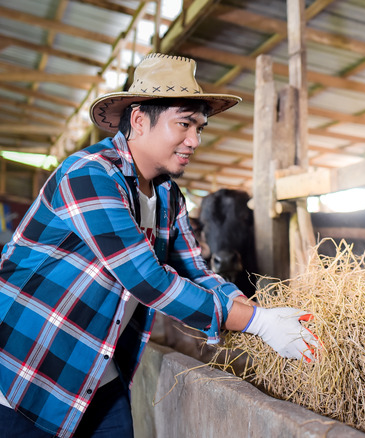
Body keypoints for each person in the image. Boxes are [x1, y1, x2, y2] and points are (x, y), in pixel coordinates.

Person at [0, 53, 318, 438]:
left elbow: (195, 272)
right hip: (27, 374)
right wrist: (257, 324)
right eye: (184, 124)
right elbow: (147, 280)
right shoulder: (89, 174)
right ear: (138, 120)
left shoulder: (169, 196)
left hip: (97, 374)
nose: (195, 140)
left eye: (200, 127)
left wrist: (261, 314)